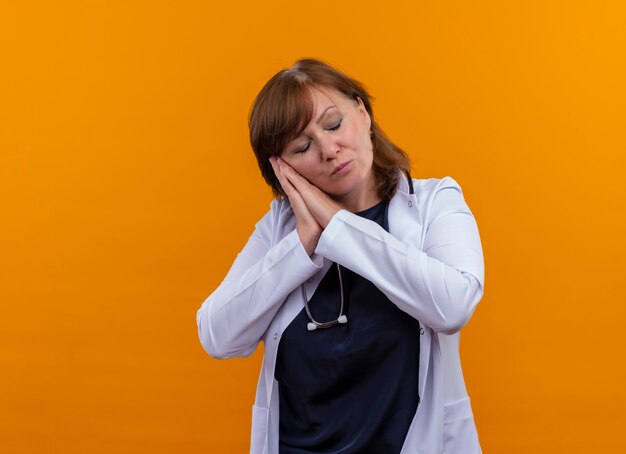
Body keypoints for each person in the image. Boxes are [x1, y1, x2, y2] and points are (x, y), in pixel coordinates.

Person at [196, 58, 485, 454]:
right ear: (281, 170)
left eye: (333, 124)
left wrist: (336, 224)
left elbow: (452, 307)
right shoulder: (280, 231)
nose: (329, 150)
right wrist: (301, 246)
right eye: (302, 147)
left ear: (363, 113)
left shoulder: (435, 202)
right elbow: (218, 335)